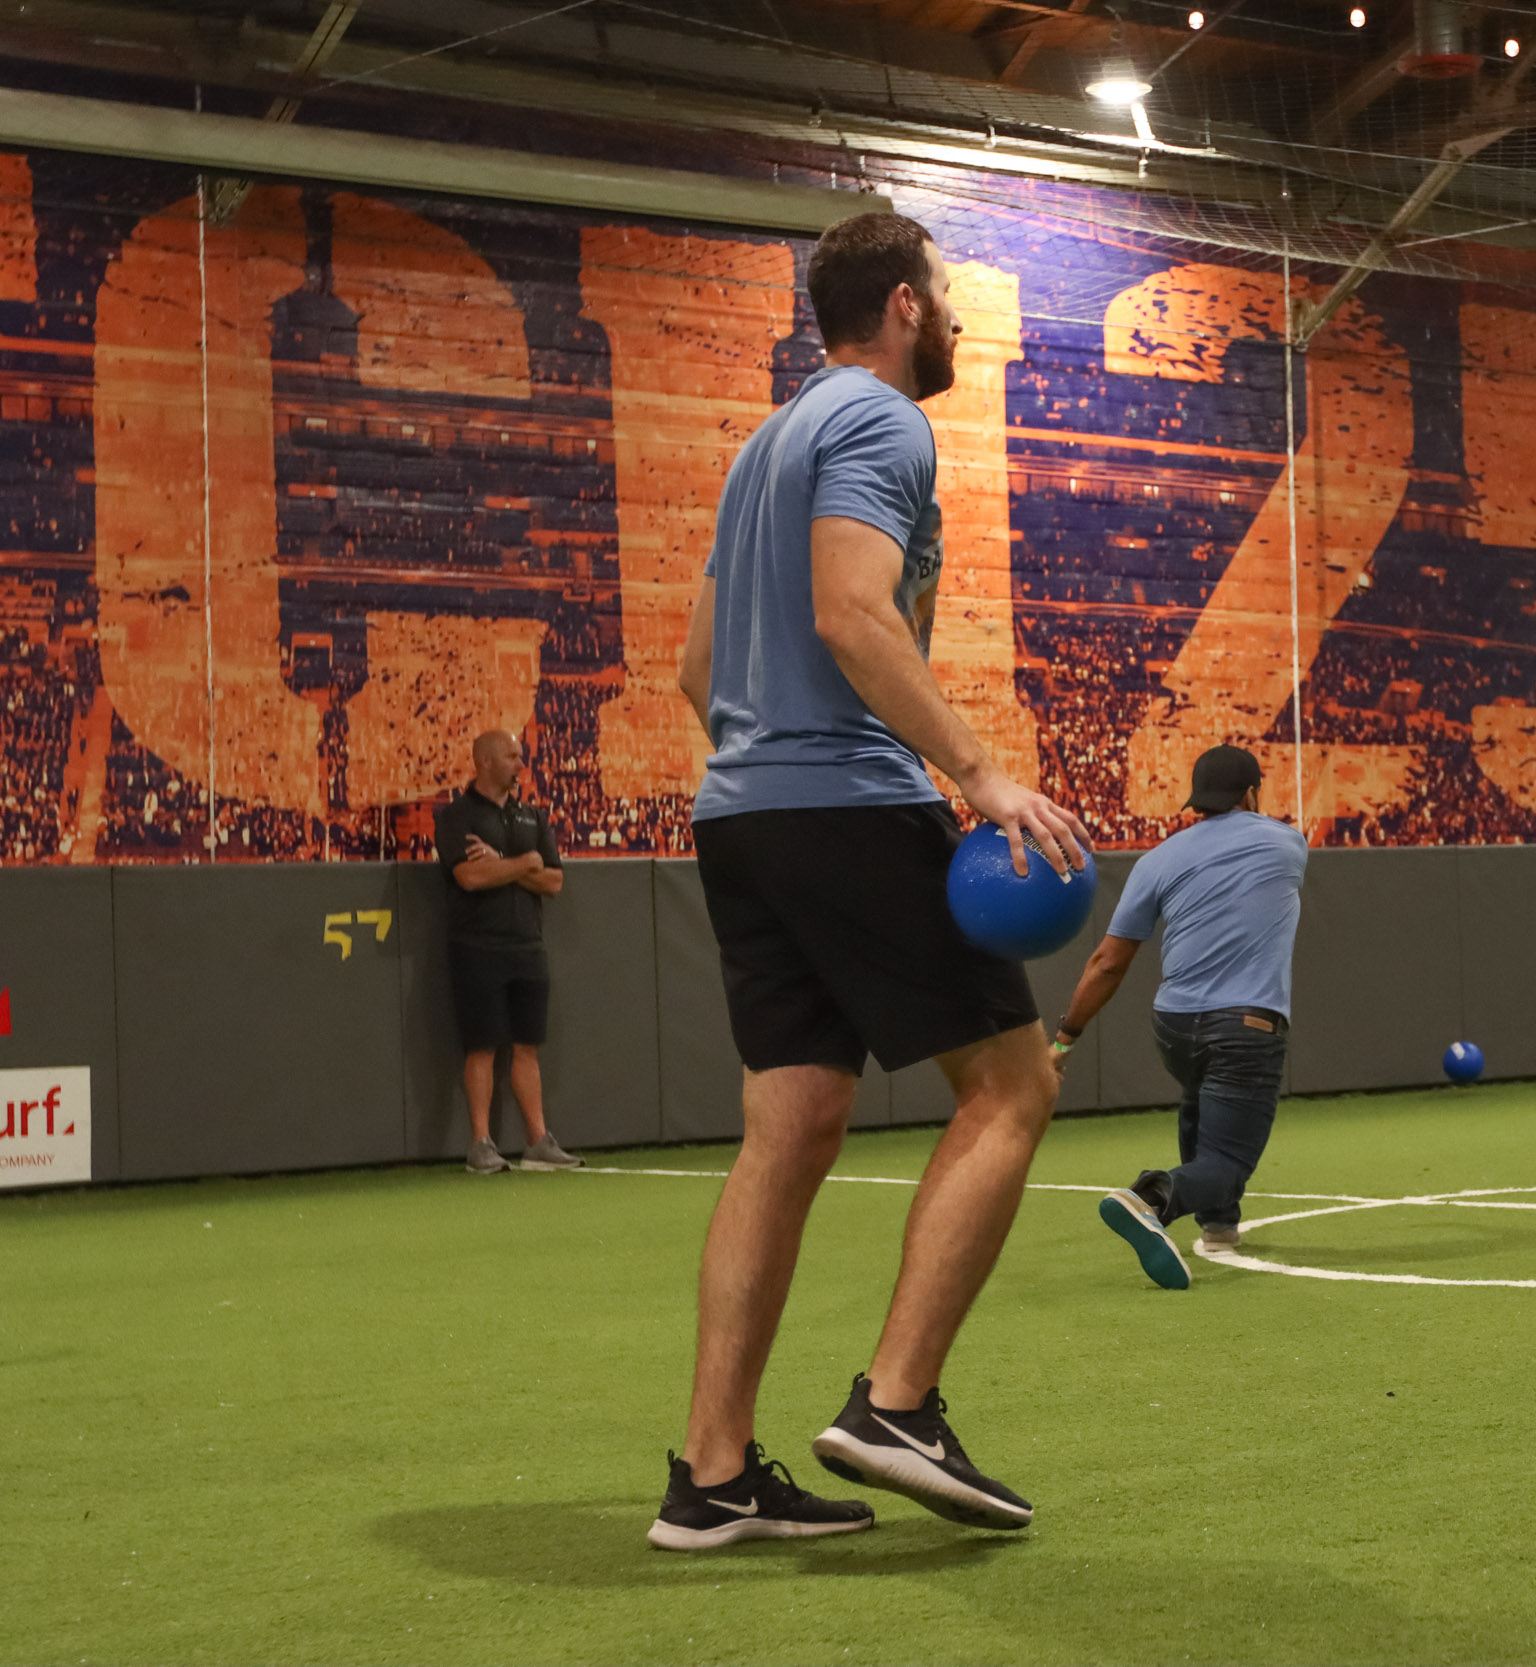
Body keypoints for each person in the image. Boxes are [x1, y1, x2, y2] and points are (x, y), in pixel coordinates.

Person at [648, 211, 1090, 1554]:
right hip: (843, 798)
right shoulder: (882, 422)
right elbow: (851, 611)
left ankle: (712, 1473)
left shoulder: (764, 446)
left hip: (743, 817)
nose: (954, 319)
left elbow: (695, 668)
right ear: (901, 303)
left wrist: (772, 764)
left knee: (788, 1126)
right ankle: (896, 1403)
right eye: (945, 296)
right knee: (1013, 1084)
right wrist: (981, 774)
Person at [1054, 745, 1309, 1289]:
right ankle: (1148, 1199)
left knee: (1201, 1098)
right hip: (1246, 1027)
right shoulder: (1288, 844)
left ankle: (1219, 1227)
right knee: (1228, 1160)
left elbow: (1107, 962)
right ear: (1251, 794)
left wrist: (1064, 1039)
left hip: (1173, 1027)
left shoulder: (1156, 861)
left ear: (1198, 800)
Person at [433, 730, 579, 1175]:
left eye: (520, 756)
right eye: (512, 756)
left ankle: (538, 1141)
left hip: (528, 946)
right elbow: (469, 878)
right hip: (477, 947)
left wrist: (500, 862)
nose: (520, 765)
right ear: (485, 761)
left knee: (526, 1046)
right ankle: (481, 1144)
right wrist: (524, 863)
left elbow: (553, 881)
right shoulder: (457, 816)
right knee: (482, 1048)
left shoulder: (532, 816)